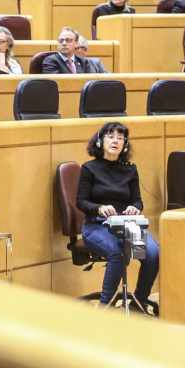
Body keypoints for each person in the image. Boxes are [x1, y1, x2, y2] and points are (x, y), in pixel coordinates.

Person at [78, 122, 159, 312]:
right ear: (100, 141)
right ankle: (105, 308)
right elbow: (81, 202)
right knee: (117, 253)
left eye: (120, 138)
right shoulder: (89, 169)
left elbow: (138, 201)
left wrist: (134, 207)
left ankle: (139, 302)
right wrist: (99, 208)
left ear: (125, 144)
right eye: (111, 136)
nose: (116, 141)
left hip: (126, 225)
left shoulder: (130, 170)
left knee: (152, 254)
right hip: (96, 226)